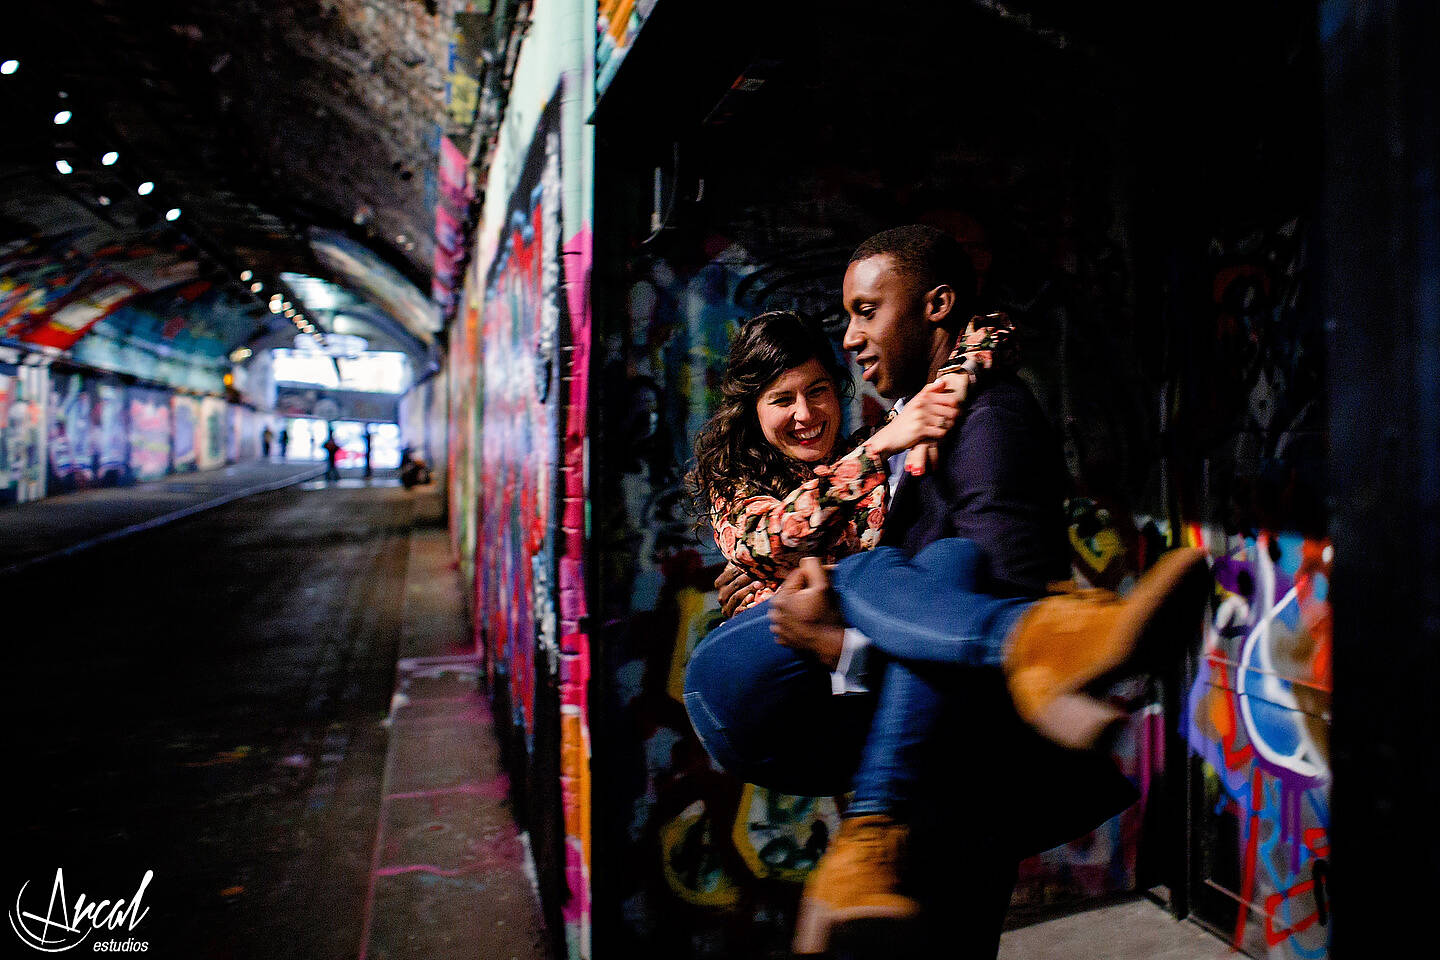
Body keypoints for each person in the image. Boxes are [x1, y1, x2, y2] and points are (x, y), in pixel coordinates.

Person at [685, 226, 1205, 956]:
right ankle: (1041, 638)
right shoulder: (890, 436)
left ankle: (1036, 644)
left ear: (933, 306)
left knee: (950, 567)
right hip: (757, 691)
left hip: (933, 772)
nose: (853, 335)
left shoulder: (985, 420)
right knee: (899, 570)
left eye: (867, 310)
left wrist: (838, 646)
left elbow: (1001, 568)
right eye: (849, 316)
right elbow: (778, 537)